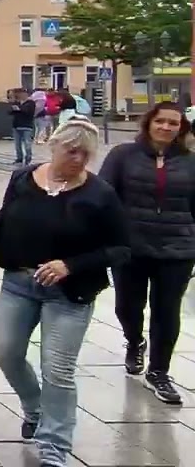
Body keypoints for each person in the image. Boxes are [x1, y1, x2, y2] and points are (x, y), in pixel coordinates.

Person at [0, 117, 128, 467]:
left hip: (70, 294)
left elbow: (120, 248)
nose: (78, 159)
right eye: (71, 151)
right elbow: (6, 214)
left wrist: (70, 265)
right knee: (6, 351)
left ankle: (54, 447)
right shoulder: (23, 177)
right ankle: (35, 408)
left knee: (57, 370)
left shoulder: (100, 194)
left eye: (85, 154)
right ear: (53, 145)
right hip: (19, 283)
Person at [98, 102, 195, 404]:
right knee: (127, 306)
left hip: (177, 248)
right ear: (149, 122)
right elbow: (103, 196)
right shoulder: (122, 155)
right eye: (160, 121)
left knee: (167, 311)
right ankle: (134, 340)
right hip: (130, 247)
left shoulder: (191, 162)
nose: (166, 127)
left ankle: (159, 372)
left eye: (173, 123)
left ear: (181, 128)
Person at [10, 88, 37, 165]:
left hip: (26, 126)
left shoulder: (31, 103)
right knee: (17, 144)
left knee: (27, 143)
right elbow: (10, 112)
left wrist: (19, 109)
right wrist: (14, 108)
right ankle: (19, 158)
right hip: (16, 125)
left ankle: (28, 158)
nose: (18, 96)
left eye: (19, 94)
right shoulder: (17, 103)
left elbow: (28, 112)